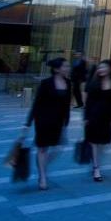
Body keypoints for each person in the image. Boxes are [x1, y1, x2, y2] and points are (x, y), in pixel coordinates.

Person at [23, 58, 72, 190]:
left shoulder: (68, 83)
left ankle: (42, 166)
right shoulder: (46, 83)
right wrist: (28, 122)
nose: (68, 68)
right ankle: (42, 176)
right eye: (65, 66)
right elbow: (37, 103)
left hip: (59, 121)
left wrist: (66, 120)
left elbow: (67, 104)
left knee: (59, 147)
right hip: (43, 120)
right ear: (57, 69)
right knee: (43, 148)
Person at [84, 59, 111, 182]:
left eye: (104, 67)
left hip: (107, 117)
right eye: (100, 68)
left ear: (110, 69)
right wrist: (86, 117)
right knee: (94, 141)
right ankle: (96, 168)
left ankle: (95, 161)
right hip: (94, 115)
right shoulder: (94, 82)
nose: (101, 70)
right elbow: (88, 101)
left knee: (102, 142)